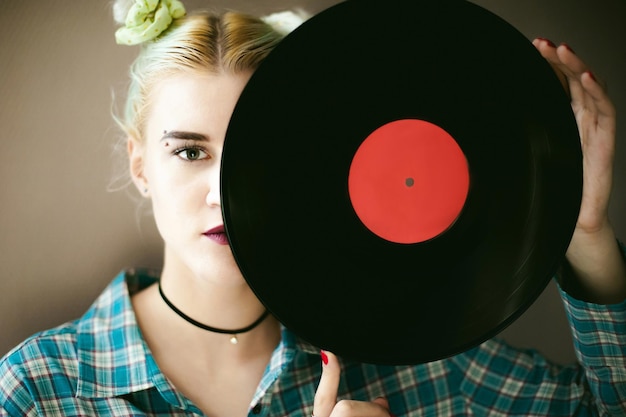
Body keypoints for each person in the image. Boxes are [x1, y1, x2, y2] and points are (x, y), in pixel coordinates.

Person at [1, 1, 625, 416]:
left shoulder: (413, 367)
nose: (224, 194)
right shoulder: (39, 390)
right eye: (190, 152)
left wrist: (588, 234)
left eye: (257, 156)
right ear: (141, 164)